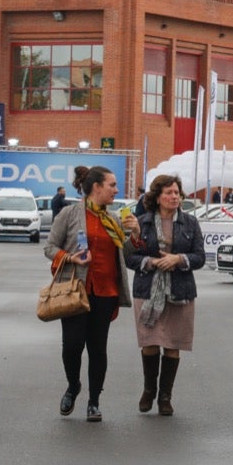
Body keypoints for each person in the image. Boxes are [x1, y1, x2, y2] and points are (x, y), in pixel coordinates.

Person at [44, 165, 139, 422]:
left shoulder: (114, 219)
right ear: (96, 187)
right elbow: (50, 247)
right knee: (72, 347)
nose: (116, 190)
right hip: (76, 291)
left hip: (105, 293)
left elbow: (124, 257)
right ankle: (73, 386)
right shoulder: (69, 214)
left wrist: (136, 236)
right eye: (112, 185)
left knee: (98, 349)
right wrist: (69, 257)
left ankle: (94, 402)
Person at [127, 174, 205, 416]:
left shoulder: (190, 223)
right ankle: (149, 390)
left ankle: (165, 396)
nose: (174, 197)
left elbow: (199, 257)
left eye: (177, 193)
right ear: (157, 197)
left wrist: (178, 259)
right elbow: (129, 257)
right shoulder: (142, 222)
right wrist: (151, 262)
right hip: (148, 291)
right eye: (169, 193)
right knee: (150, 343)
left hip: (180, 292)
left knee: (173, 344)